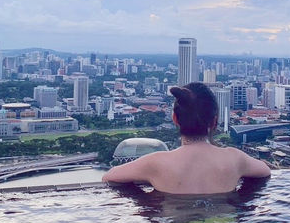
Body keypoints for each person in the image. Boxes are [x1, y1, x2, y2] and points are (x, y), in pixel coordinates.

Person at [102, 82, 271, 194]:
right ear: (214, 122)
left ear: (175, 119)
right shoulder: (235, 158)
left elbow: (110, 177)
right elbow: (265, 171)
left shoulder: (155, 163)